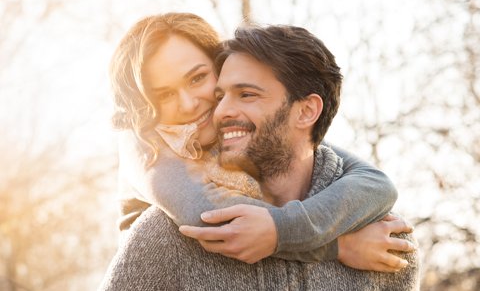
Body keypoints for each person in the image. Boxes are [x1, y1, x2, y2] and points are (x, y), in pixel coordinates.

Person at [99, 23, 419, 290]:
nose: (193, 105)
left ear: (307, 111)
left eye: (199, 78)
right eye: (164, 93)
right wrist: (337, 247)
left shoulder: (386, 241)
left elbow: (376, 182)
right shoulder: (149, 161)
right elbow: (215, 222)